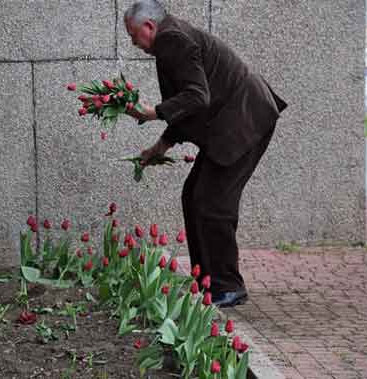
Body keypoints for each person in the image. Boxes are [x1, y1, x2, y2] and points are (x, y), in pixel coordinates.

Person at [124, 0, 288, 307]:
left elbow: (197, 96)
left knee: (213, 203)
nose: (133, 42)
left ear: (149, 26)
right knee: (194, 196)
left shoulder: (172, 39)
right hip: (235, 122)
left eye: (133, 35)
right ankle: (207, 281)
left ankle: (228, 286)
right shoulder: (169, 40)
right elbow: (187, 103)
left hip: (245, 121)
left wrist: (152, 112)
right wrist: (160, 147)